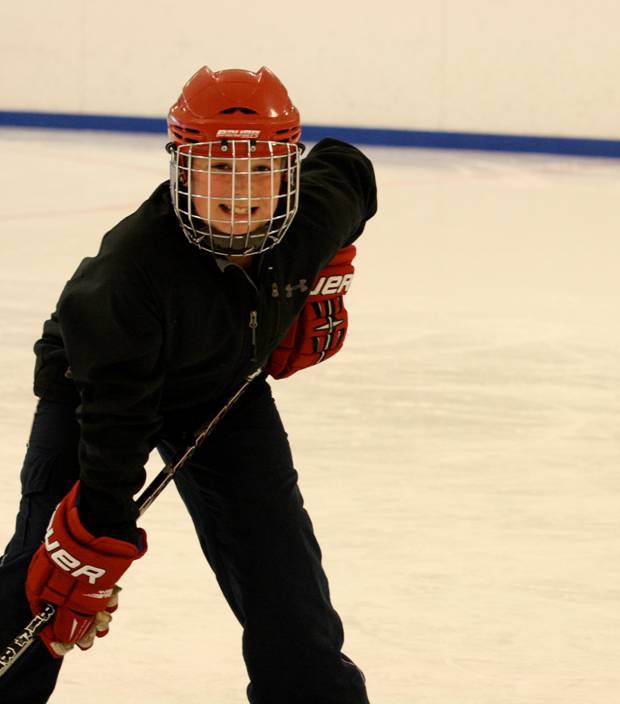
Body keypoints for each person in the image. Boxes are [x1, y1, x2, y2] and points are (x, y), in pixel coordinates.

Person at [0, 66, 377, 703]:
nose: (241, 192)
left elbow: (350, 171)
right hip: (96, 394)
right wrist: (94, 539)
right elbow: (114, 429)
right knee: (47, 575)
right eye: (218, 170)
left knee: (286, 592)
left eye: (261, 170)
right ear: (183, 171)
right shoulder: (127, 276)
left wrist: (330, 268)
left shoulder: (309, 218)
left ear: (287, 172)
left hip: (224, 391)